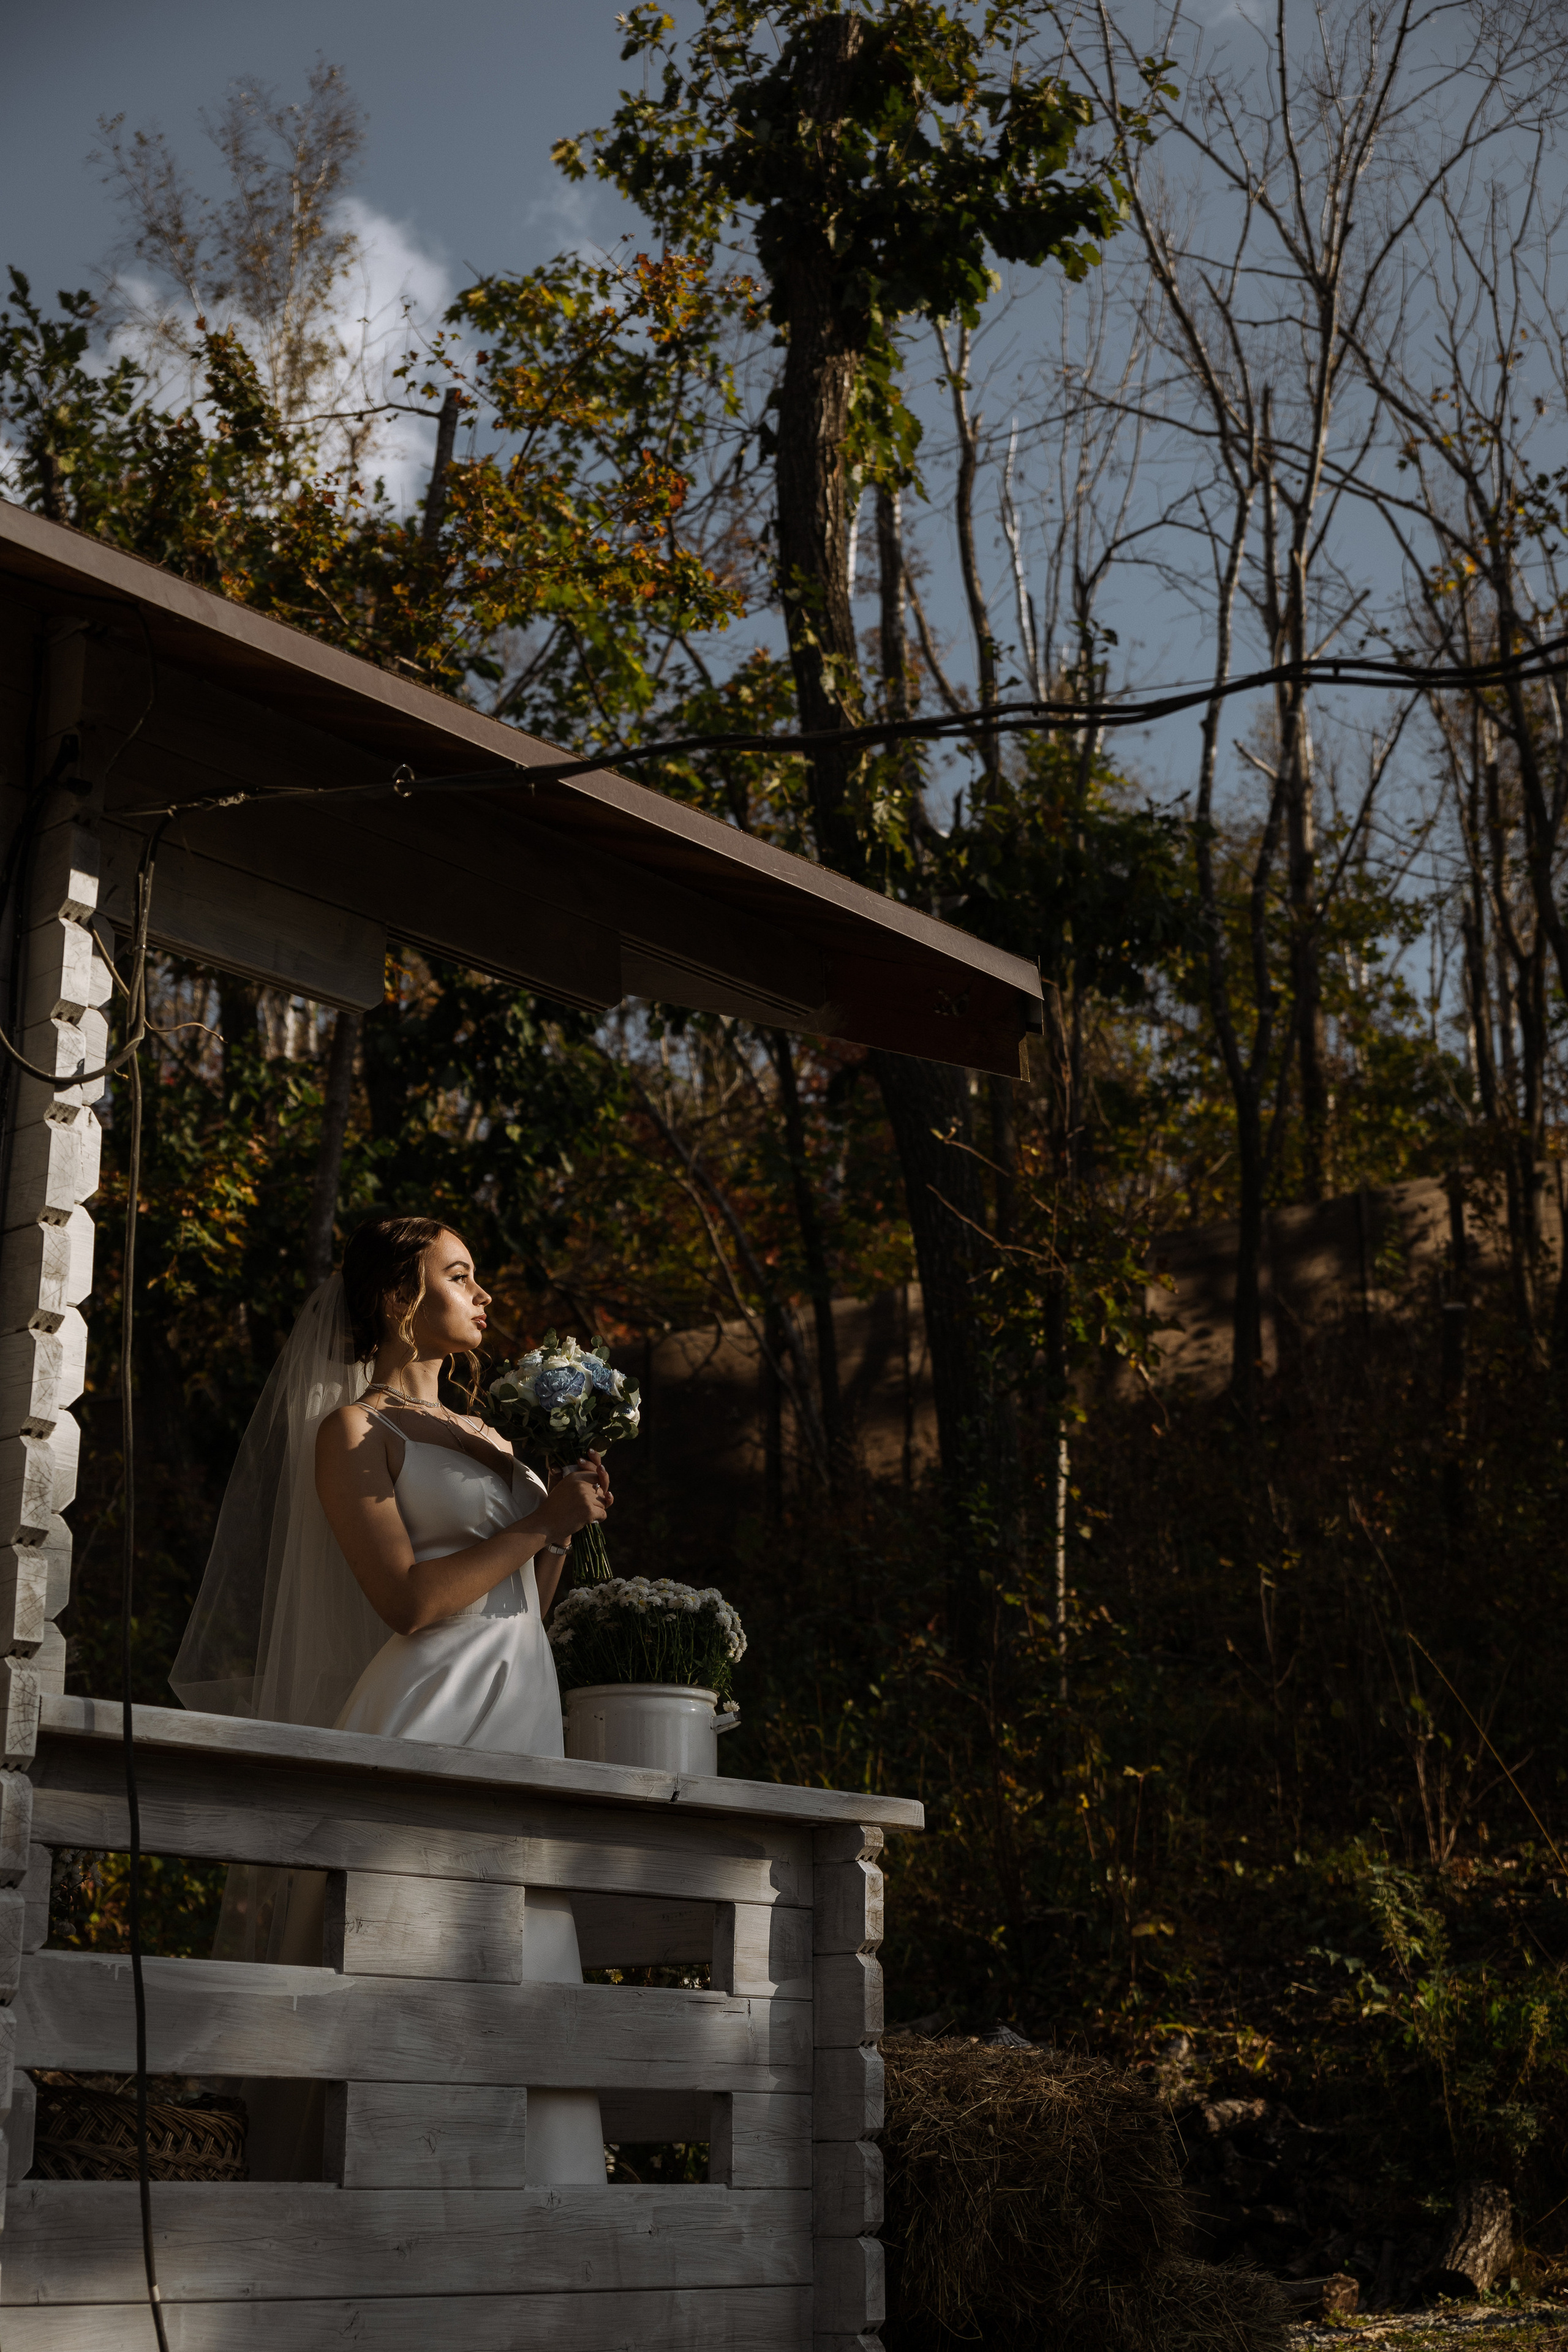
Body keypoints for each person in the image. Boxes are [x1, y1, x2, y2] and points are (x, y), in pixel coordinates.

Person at [172, 1211, 611, 2185]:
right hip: (431, 1712)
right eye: (459, 1274)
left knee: (528, 1974)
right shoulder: (353, 1430)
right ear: (396, 1301)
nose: (483, 1292)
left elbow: (521, 1609)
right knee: (399, 1982)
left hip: (520, 1717)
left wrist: (559, 1537)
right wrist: (538, 1518)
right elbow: (409, 1601)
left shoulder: (490, 1430)